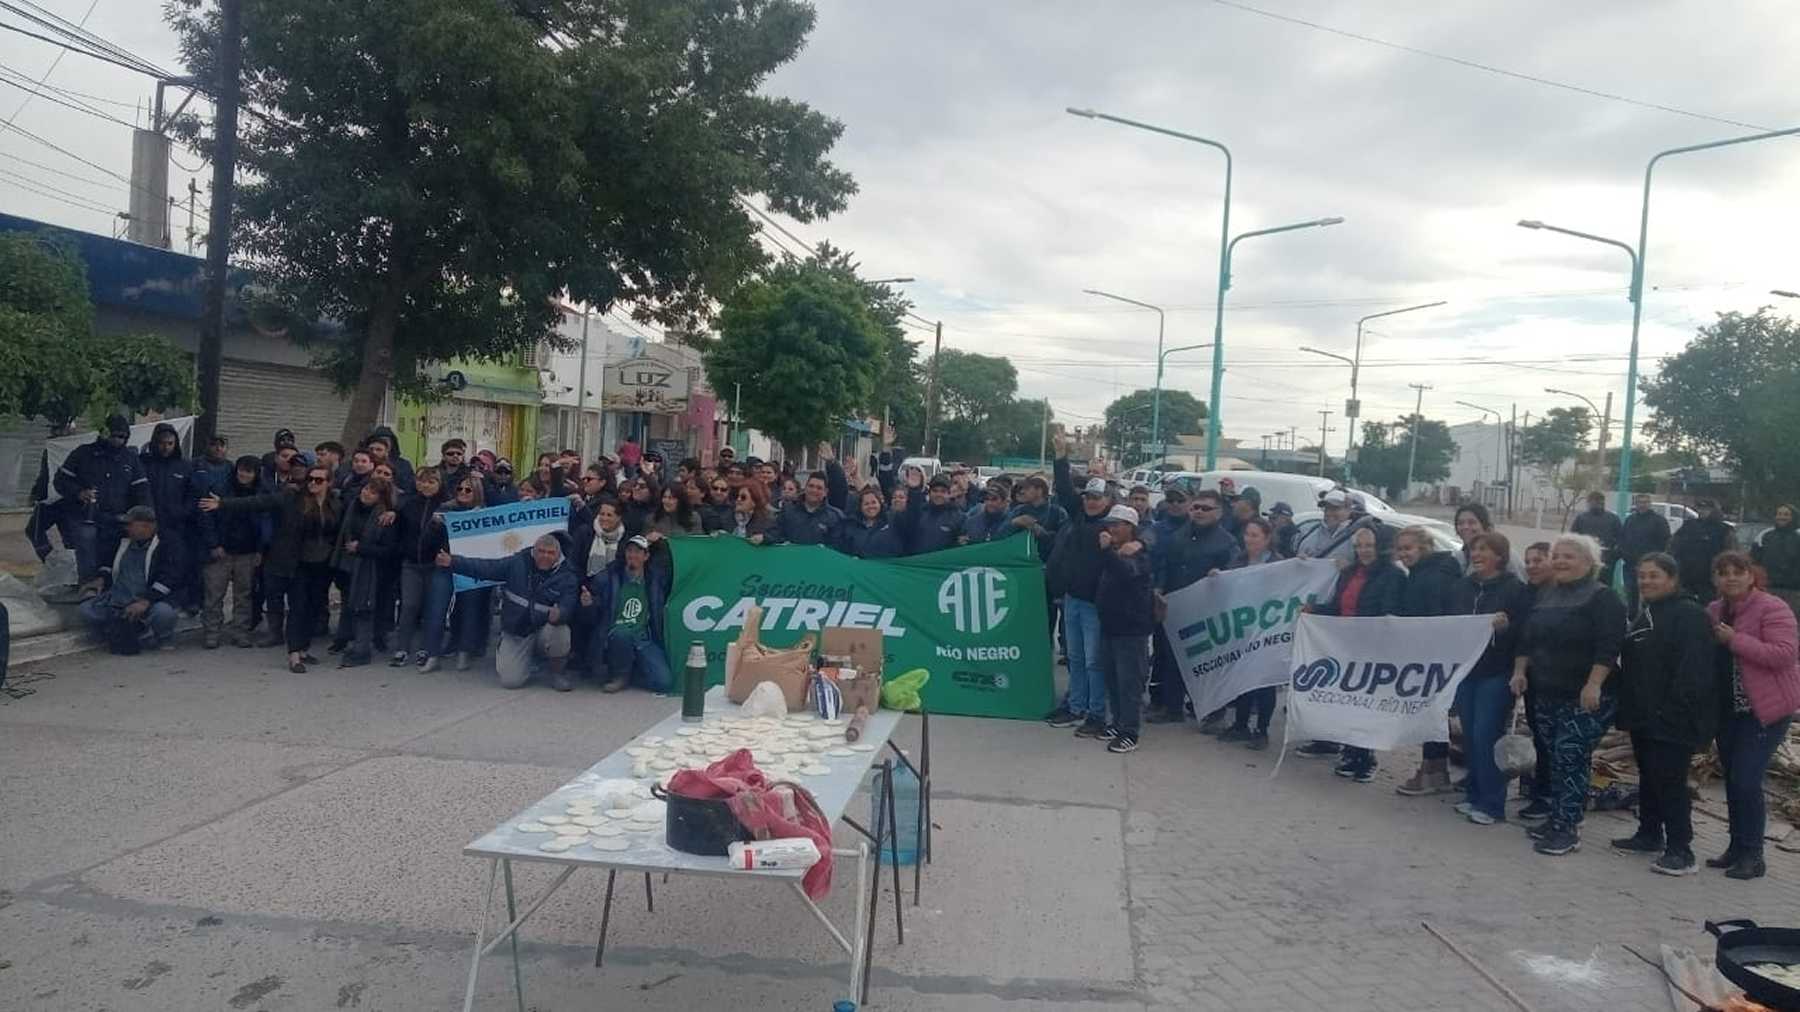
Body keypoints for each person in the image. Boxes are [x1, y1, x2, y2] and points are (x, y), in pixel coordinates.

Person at [1510, 533, 1626, 857]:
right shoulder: (1546, 595)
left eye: (1569, 556)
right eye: (1557, 555)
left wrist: (1594, 684)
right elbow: (1527, 639)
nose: (1560, 561)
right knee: (1555, 758)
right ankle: (1558, 817)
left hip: (1585, 696)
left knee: (1570, 755)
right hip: (1546, 691)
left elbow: (1609, 645)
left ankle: (1568, 828)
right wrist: (1520, 671)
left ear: (1589, 563)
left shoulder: (1604, 598)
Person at [1612, 552, 1717, 875]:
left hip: (1674, 718)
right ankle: (1649, 833)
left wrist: (1672, 709)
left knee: (1670, 782)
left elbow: (1694, 670)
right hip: (1644, 714)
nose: (1646, 581)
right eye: (1642, 576)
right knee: (1649, 777)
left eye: (1654, 575)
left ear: (1672, 579)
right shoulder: (1648, 613)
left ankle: (1680, 849)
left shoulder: (1689, 615)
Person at [1705, 550, 1800, 880]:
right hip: (1728, 711)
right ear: (1715, 579)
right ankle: (1736, 846)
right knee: (1733, 781)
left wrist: (1736, 640)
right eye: (1723, 572)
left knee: (1746, 780)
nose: (1730, 577)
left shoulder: (1773, 608)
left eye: (1737, 571)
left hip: (1765, 711)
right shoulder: (1715, 610)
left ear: (1751, 575)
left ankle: (1754, 855)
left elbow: (1784, 655)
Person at [202, 461, 343, 672]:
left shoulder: (336, 504)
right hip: (297, 563)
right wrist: (223, 503)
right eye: (310, 479)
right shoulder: (292, 498)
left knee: (313, 607)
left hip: (322, 565)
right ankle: (294, 655)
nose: (313, 483)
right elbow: (258, 502)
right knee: (298, 606)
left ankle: (304, 648)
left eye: (318, 480)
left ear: (329, 483)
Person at [1306, 526, 1405, 779]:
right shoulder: (1348, 573)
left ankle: (1365, 758)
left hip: (1371, 648)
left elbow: (1389, 612)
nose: (1363, 550)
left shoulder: (1392, 575)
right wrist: (1313, 611)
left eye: (1368, 545)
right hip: (1345, 645)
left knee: (1365, 703)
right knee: (1346, 700)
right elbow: (1338, 607)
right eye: (1359, 545)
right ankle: (1350, 751)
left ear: (1379, 546)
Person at [1449, 532, 1532, 825]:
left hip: (1497, 673)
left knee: (1487, 735)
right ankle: (1473, 794)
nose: (1477, 554)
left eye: (1485, 549)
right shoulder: (1462, 586)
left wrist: (1506, 627)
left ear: (1500, 555)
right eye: (1474, 549)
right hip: (1467, 671)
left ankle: (1493, 803)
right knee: (1469, 735)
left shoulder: (1514, 589)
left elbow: (1525, 633)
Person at [439, 534, 578, 690]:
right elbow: (485, 568)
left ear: (558, 555)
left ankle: (557, 673)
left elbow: (569, 605)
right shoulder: (517, 563)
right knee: (511, 682)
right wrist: (454, 562)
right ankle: (514, 654)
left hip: (543, 629)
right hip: (517, 630)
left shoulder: (568, 576)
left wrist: (561, 613)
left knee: (561, 632)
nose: (545, 556)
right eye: (541, 551)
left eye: (550, 553)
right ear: (534, 551)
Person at [1044, 441, 1115, 736]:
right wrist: (1061, 457)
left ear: (1109, 500)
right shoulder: (1078, 516)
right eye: (1088, 496)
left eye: (1097, 497)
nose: (1091, 501)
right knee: (1074, 658)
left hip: (1095, 605)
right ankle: (1076, 706)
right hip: (1072, 599)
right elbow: (1063, 488)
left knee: (1094, 662)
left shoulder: (1115, 526)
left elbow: (1143, 537)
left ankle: (1096, 714)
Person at [1393, 525, 1467, 797]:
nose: (1404, 554)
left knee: (1434, 714)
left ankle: (1432, 771)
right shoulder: (1420, 573)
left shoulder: (1435, 575)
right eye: (1400, 549)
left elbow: (1436, 616)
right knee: (1432, 714)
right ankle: (1435, 770)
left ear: (1423, 548)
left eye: (1409, 548)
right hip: (1425, 655)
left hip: (1435, 656)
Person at [1157, 490, 1238, 729]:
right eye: (1196, 507)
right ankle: (1172, 708)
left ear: (1219, 512)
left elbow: (1234, 576)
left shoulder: (1227, 542)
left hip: (1208, 613)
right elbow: (1165, 564)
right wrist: (1159, 588)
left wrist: (1221, 576)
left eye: (1206, 508)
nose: (1199, 512)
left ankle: (1212, 710)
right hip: (1177, 607)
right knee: (1172, 659)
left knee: (1207, 664)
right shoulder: (1180, 534)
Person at [55, 414, 148, 590]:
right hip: (86, 516)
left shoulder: (131, 458)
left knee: (127, 541)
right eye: (114, 435)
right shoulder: (83, 453)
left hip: (118, 517)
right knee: (86, 536)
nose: (118, 440)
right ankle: (88, 587)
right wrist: (78, 492)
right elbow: (60, 481)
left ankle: (114, 588)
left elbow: (142, 490)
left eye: (122, 436)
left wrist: (141, 516)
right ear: (104, 433)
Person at [1217, 517, 1284, 749]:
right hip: (1241, 629)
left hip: (1266, 630)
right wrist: (1217, 578)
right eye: (1247, 534)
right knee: (1242, 678)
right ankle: (1240, 724)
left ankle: (1261, 730)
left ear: (1267, 539)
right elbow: (1228, 585)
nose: (1249, 539)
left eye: (1255, 535)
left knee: (1264, 682)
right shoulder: (1239, 560)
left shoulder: (1278, 564)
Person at [78, 505, 181, 651]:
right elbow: (108, 564)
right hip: (118, 598)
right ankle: (117, 635)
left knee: (164, 613)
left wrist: (145, 601)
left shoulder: (168, 544)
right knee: (86, 609)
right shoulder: (121, 540)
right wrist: (101, 578)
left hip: (150, 600)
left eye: (130, 524)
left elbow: (170, 577)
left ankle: (162, 639)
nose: (126, 528)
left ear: (147, 526)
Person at [1096, 504, 1153, 754]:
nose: (1112, 529)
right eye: (1110, 524)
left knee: (1129, 682)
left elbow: (1124, 574)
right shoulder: (1117, 551)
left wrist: (1108, 551)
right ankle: (1118, 723)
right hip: (1110, 626)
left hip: (1131, 630)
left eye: (1118, 524)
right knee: (1112, 679)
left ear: (1130, 528)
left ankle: (1130, 731)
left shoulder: (1138, 555)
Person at [581, 534, 670, 693]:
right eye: (629, 551)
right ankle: (620, 676)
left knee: (663, 683)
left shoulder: (655, 579)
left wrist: (663, 541)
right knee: (621, 635)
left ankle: (634, 671)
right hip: (616, 633)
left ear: (646, 556)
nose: (632, 555)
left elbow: (673, 565)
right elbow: (595, 607)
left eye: (638, 552)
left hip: (644, 637)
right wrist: (589, 604)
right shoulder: (610, 576)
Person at [196, 455, 269, 648]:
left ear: (256, 473)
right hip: (221, 551)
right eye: (241, 470)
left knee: (244, 596)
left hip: (248, 552)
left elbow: (265, 524)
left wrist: (260, 550)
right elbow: (206, 519)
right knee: (213, 595)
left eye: (249, 471)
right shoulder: (220, 489)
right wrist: (213, 545)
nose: (244, 474)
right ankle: (212, 633)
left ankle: (241, 632)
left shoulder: (261, 493)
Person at [331, 477, 398, 667]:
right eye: (366, 488)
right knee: (349, 606)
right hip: (348, 565)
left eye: (373, 492)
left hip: (372, 571)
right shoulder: (352, 507)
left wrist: (361, 548)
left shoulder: (385, 518)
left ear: (381, 498)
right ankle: (347, 640)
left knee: (364, 610)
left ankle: (362, 651)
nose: (366, 493)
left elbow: (388, 550)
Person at [392, 467, 451, 669]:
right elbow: (398, 531)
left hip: (434, 564)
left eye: (431, 481)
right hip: (410, 563)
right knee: (409, 606)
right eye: (422, 481)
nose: (426, 485)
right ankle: (402, 648)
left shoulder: (446, 506)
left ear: (439, 484)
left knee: (430, 608)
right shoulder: (407, 504)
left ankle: (426, 648)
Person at [1518, 541, 1556, 817]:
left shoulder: (1565, 595)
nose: (1532, 566)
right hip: (1533, 677)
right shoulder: (1528, 594)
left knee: (1553, 740)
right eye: (1528, 561)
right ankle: (1541, 792)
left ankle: (1551, 797)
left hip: (1559, 680)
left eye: (1538, 560)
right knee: (1540, 735)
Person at [1672, 498, 1736, 602]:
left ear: (1714, 510)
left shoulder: (1723, 530)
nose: (1702, 511)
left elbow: (1732, 554)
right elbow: (1673, 547)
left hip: (1710, 580)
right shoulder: (1688, 526)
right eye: (1700, 509)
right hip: (1686, 578)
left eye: (1706, 509)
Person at [1619, 493, 1672, 610]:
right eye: (1640, 502)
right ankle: (1631, 622)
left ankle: (1649, 620)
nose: (1642, 505)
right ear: (1635, 504)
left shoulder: (1659, 521)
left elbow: (1666, 543)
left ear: (1650, 504)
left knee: (1650, 595)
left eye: (1645, 502)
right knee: (1631, 596)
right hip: (1630, 565)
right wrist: (1624, 554)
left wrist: (1657, 559)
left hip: (1651, 566)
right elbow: (1622, 539)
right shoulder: (1630, 520)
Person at [1292, 489, 1369, 564]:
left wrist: (1349, 568)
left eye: (1335, 508)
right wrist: (1299, 561)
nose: (1329, 513)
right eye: (1326, 508)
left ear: (1348, 510)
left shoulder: (1359, 536)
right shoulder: (1309, 533)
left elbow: (1366, 566)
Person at [1751, 503, 1800, 618]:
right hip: (1767, 588)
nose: (1782, 517)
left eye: (1786, 514)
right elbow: (1754, 561)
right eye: (1779, 514)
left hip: (1793, 591)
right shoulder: (1765, 535)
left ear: (1794, 517)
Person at [899, 473, 965, 555]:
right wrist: (914, 490)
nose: (938, 494)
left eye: (943, 491)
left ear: (949, 494)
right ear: (929, 493)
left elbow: (961, 549)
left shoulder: (958, 517)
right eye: (935, 491)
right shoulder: (919, 512)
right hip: (915, 564)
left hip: (939, 565)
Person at [775, 471, 844, 546]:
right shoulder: (788, 510)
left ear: (825, 492)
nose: (814, 490)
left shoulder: (835, 516)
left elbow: (838, 546)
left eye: (819, 488)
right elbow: (776, 534)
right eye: (811, 486)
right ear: (805, 488)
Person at [1571, 491, 1623, 585]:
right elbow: (1573, 538)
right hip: (1586, 560)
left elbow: (1621, 539)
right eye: (1593, 502)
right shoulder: (1581, 518)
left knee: (1604, 588)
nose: (1596, 504)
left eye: (1599, 502)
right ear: (1589, 502)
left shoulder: (1613, 518)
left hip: (1606, 561)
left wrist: (1614, 556)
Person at [838, 486, 905, 558]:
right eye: (866, 504)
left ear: (880, 504)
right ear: (860, 507)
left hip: (889, 566)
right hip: (863, 567)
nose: (871, 506)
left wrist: (914, 490)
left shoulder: (892, 520)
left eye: (874, 502)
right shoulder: (851, 526)